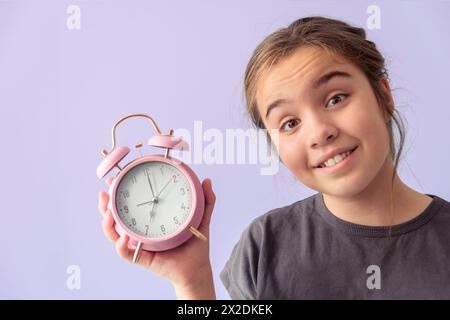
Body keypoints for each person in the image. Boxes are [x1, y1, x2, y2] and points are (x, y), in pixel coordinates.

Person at [98, 16, 450, 299]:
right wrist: (192, 282)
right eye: (290, 123)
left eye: (336, 98)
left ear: (383, 96)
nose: (319, 133)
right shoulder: (264, 247)